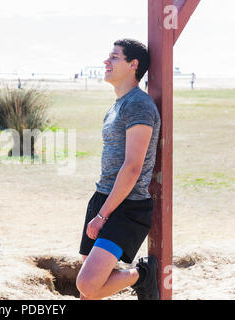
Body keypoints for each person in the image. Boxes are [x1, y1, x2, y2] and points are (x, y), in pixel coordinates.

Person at [76, 39, 161, 300]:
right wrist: (99, 208)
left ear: (133, 65)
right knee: (89, 290)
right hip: (104, 196)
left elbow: (133, 167)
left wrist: (102, 215)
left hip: (127, 206)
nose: (106, 62)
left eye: (114, 57)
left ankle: (142, 276)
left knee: (88, 284)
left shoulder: (139, 105)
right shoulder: (117, 105)